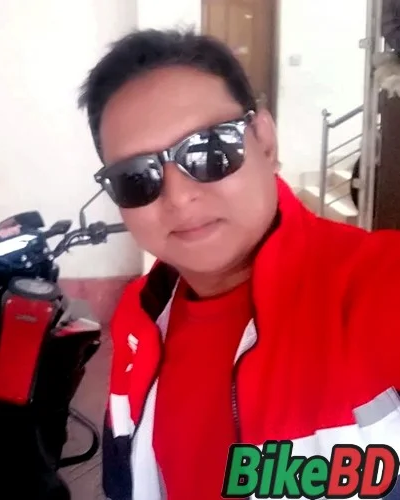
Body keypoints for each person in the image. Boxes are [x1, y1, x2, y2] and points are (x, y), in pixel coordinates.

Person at [77, 29, 400, 500]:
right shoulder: (138, 316)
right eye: (136, 176)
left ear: (265, 141)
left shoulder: (378, 286)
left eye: (208, 150)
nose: (179, 197)